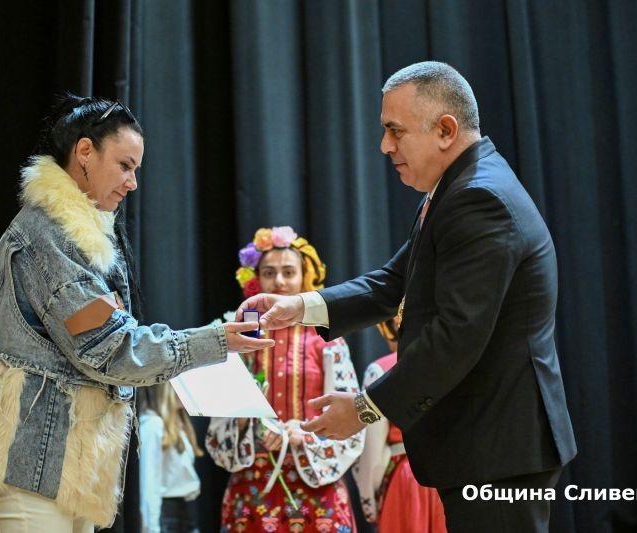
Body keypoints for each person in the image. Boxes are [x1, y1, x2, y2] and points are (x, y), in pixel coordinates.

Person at [236, 62, 577, 533]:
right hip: (488, 443)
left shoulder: (479, 199)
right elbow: (392, 282)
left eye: (395, 130)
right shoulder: (457, 187)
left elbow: (456, 337)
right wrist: (299, 307)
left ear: (445, 130)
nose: (384, 145)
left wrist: (363, 409)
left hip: (499, 446)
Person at [0, 94, 273, 532]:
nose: (132, 183)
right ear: (85, 152)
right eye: (124, 165)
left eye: (135, 169)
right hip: (33, 458)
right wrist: (216, 341)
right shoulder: (48, 234)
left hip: (62, 461)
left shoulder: (77, 235)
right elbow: (109, 349)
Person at [206, 226, 363, 532]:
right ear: (256, 280)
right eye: (269, 273)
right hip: (252, 485)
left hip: (317, 486)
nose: (279, 281)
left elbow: (352, 415)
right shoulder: (240, 337)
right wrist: (243, 421)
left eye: (289, 272)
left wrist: (306, 433)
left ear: (305, 277)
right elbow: (218, 427)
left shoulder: (327, 339)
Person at [352, 317, 446, 532]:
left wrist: (369, 500)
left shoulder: (380, 371)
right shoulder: (456, 365)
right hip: (452, 477)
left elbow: (372, 452)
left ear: (396, 325)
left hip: (407, 479)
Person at [138, 384, 203, 532]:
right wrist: (150, 529)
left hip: (184, 513)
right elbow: (149, 484)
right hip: (165, 516)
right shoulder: (153, 424)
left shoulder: (180, 424)